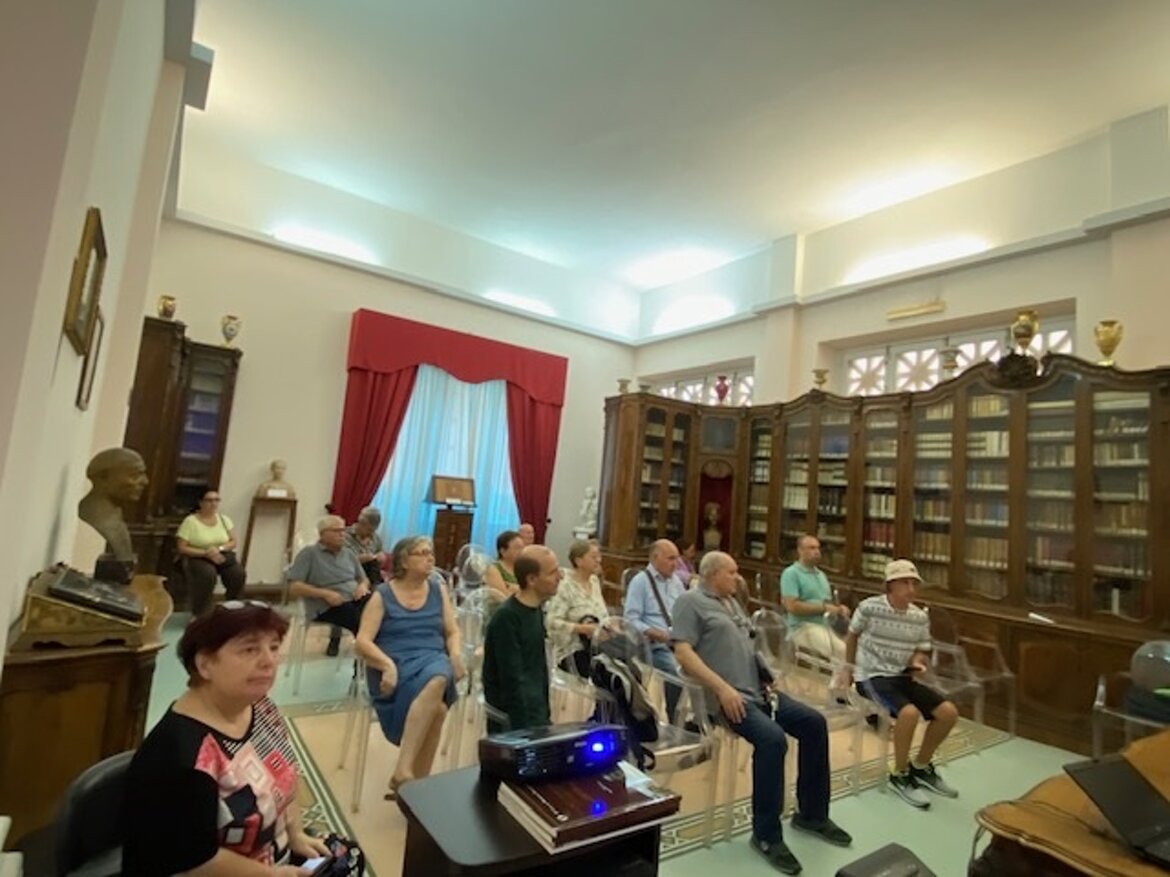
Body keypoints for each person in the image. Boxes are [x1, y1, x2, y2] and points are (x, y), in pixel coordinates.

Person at [673, 552, 852, 875]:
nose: (737, 577)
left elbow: (748, 645)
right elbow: (683, 653)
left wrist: (766, 675)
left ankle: (811, 815)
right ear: (713, 574)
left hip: (757, 692)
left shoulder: (731, 602)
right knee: (772, 740)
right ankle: (766, 835)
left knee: (813, 723)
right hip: (725, 699)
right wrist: (722, 689)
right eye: (732, 572)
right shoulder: (690, 602)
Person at [123, 601, 331, 875]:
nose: (269, 661)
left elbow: (284, 780)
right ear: (205, 664)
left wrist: (296, 835)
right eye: (250, 649)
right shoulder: (183, 756)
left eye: (273, 647)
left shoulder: (261, 707)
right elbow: (196, 862)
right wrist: (272, 875)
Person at [841, 559, 960, 809]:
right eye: (905, 583)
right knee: (909, 714)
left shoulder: (919, 617)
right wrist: (848, 669)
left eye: (914, 583)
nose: (911, 589)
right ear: (890, 585)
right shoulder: (869, 607)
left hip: (902, 676)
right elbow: (852, 636)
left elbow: (920, 651)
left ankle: (921, 766)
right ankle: (900, 773)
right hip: (870, 676)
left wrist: (917, 662)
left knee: (948, 713)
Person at [355, 536, 464, 799]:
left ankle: (403, 770)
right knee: (437, 710)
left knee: (439, 677)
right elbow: (362, 641)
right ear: (404, 561)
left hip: (432, 657)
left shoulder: (437, 589)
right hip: (394, 664)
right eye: (422, 553)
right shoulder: (383, 594)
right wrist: (387, 666)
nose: (430, 558)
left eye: (431, 552)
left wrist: (456, 655)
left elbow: (452, 631)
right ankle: (415, 791)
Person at [483, 545, 561, 731]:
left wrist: (545, 717)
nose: (560, 577)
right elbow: (511, 680)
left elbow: (538, 670)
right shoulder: (507, 618)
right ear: (532, 579)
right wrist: (525, 731)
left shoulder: (536, 610)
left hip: (535, 714)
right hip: (513, 723)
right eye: (552, 573)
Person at [287, 515, 371, 656]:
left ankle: (371, 657)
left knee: (379, 608)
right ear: (323, 534)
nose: (342, 534)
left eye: (343, 530)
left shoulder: (348, 554)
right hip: (326, 606)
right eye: (337, 531)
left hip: (354, 598)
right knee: (362, 621)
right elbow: (294, 587)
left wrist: (362, 586)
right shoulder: (309, 554)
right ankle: (365, 662)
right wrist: (325, 594)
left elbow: (363, 579)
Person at [623, 539, 685, 720]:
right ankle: (674, 719)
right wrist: (654, 632)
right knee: (676, 674)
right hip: (653, 644)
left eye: (677, 559)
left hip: (678, 640)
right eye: (670, 559)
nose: (675, 564)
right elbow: (630, 620)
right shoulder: (640, 582)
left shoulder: (676, 582)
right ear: (655, 558)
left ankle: (697, 719)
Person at [176, 488, 247, 616]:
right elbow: (182, 547)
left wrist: (218, 549)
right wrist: (205, 553)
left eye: (216, 500)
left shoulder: (224, 519)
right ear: (201, 502)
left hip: (221, 555)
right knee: (207, 575)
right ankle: (201, 613)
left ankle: (233, 608)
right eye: (209, 500)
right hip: (198, 556)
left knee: (238, 573)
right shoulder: (190, 521)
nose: (213, 503)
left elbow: (233, 541)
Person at [780, 535, 849, 662]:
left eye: (818, 548)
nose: (817, 552)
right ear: (800, 550)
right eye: (811, 548)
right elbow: (792, 606)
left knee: (849, 649)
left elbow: (827, 602)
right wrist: (824, 608)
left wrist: (839, 609)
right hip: (802, 626)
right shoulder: (791, 574)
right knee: (834, 651)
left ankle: (839, 675)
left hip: (825, 625)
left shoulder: (821, 575)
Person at [546, 539, 609, 677]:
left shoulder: (594, 581)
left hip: (597, 647)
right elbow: (551, 622)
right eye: (593, 557)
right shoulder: (565, 585)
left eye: (599, 556)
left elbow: (603, 614)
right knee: (605, 675)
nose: (599, 560)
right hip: (572, 651)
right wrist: (582, 628)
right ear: (579, 561)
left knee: (624, 671)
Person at [77, 447, 149, 565]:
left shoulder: (115, 514)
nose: (145, 481)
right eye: (135, 475)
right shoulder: (95, 518)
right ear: (103, 477)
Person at [345, 505, 387, 585]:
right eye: (369, 530)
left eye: (374, 530)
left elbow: (380, 552)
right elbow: (342, 561)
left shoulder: (375, 537)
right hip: (351, 574)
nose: (371, 533)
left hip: (371, 575)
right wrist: (362, 558)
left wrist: (381, 557)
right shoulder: (345, 536)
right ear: (361, 523)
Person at [483, 529, 523, 603]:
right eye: (517, 548)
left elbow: (533, 593)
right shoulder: (493, 569)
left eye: (522, 548)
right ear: (503, 551)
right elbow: (502, 597)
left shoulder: (524, 569)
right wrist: (521, 590)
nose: (522, 551)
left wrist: (514, 588)